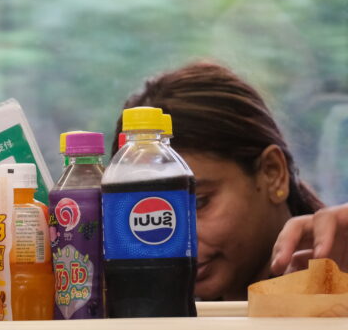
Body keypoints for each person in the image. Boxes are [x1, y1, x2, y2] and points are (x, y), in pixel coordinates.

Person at [115, 61, 348, 301]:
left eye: (200, 203)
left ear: (272, 173)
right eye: (144, 221)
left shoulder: (336, 279)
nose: (173, 239)